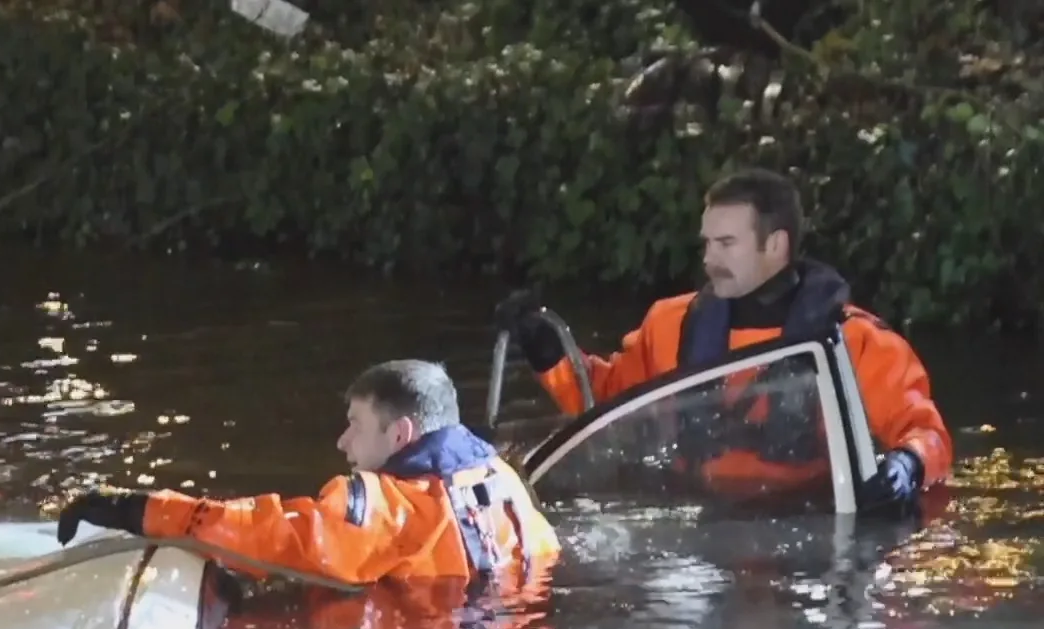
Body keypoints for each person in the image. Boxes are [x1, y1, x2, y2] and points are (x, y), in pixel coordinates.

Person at [493, 166, 952, 516]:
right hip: (696, 520)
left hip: (807, 523)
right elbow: (608, 405)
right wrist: (546, 354)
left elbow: (927, 434)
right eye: (706, 243)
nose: (709, 259)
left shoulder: (858, 342)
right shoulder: (669, 323)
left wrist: (906, 465)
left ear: (775, 246)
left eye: (726, 243)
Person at [54, 358, 561, 586]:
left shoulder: (390, 509)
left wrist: (136, 509)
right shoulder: (504, 481)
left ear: (401, 435)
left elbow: (265, 536)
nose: (342, 443)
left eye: (355, 426)